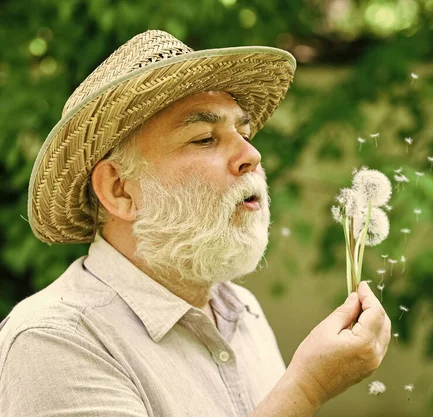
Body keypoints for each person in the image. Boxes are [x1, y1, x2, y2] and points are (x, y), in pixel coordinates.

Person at [0, 30, 391, 417]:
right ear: (120, 190)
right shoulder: (55, 340)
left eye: (244, 132)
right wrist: (308, 388)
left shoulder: (242, 310)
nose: (251, 154)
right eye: (205, 138)